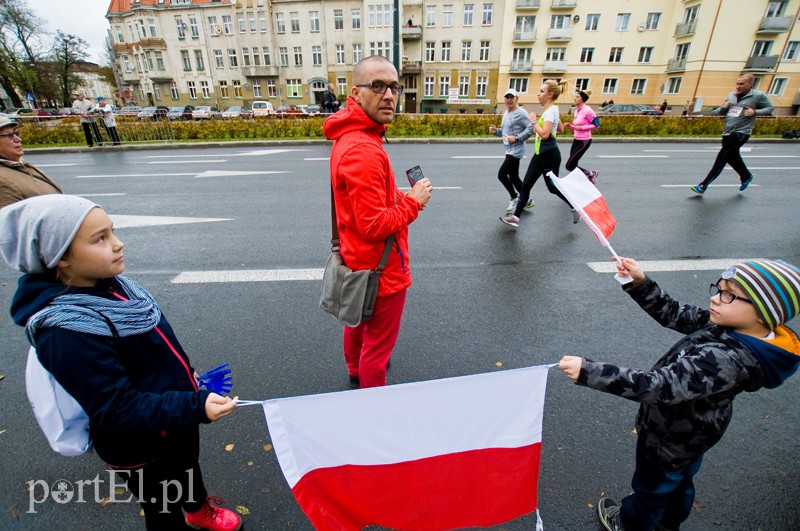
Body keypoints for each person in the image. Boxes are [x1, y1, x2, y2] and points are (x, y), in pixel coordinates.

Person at [0, 194, 242, 531]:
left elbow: (155, 350)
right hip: (138, 445)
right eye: (100, 239)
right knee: (160, 505)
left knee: (187, 468)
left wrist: (187, 378)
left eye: (112, 231)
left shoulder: (114, 288)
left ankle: (199, 509)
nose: (117, 244)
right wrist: (193, 405)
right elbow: (117, 409)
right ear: (61, 259)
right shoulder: (65, 332)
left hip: (174, 417)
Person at [558, 257, 800, 531]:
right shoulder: (730, 327)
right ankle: (670, 522)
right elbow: (674, 313)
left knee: (651, 489)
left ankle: (629, 523)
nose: (717, 299)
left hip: (669, 437)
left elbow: (658, 386)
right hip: (696, 433)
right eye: (718, 288)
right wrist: (640, 283)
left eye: (730, 295)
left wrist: (589, 371)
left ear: (763, 312)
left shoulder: (728, 360)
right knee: (679, 481)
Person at [322, 55, 432, 388]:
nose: (389, 95)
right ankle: (374, 410)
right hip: (382, 271)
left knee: (356, 323)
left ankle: (354, 371)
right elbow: (373, 225)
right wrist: (412, 203)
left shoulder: (352, 136)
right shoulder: (364, 148)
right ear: (355, 93)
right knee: (377, 351)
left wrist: (396, 196)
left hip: (357, 263)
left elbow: (361, 202)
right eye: (378, 86)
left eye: (394, 87)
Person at [500, 79, 575, 229]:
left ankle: (515, 217)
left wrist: (534, 122)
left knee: (526, 185)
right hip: (549, 152)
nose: (538, 94)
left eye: (542, 91)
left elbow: (545, 134)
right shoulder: (552, 110)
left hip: (545, 153)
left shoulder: (550, 112)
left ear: (550, 95)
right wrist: (543, 123)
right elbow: (559, 130)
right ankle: (574, 207)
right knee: (552, 187)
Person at [691, 73, 774, 195]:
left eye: (742, 84)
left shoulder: (758, 96)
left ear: (750, 84)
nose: (738, 86)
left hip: (741, 132)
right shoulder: (731, 95)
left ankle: (703, 185)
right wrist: (723, 107)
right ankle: (746, 176)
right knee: (732, 157)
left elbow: (770, 108)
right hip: (728, 132)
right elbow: (719, 112)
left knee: (722, 157)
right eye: (737, 84)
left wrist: (755, 112)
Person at [0, 115, 62, 209]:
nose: (18, 139)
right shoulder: (2, 180)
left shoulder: (17, 163)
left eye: (16, 133)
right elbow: (10, 220)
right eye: (8, 135)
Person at [488, 88, 534, 215]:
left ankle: (514, 197)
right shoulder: (507, 113)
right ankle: (527, 200)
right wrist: (495, 131)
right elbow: (505, 132)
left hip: (516, 150)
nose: (509, 100)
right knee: (513, 177)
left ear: (517, 99)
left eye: (511, 98)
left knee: (502, 175)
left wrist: (518, 138)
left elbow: (531, 128)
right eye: (507, 98)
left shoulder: (521, 113)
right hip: (508, 149)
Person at [564, 89, 599, 183]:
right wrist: (570, 126)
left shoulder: (588, 111)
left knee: (569, 165)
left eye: (577, 97)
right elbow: (576, 127)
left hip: (584, 141)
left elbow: (597, 125)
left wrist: (582, 128)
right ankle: (579, 181)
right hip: (576, 139)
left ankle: (591, 173)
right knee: (573, 163)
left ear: (583, 99)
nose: (575, 98)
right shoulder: (577, 111)